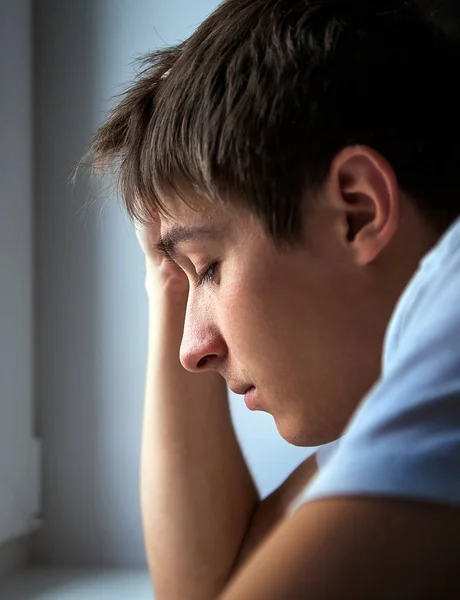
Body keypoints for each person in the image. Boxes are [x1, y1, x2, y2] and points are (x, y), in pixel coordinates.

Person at [88, 0, 460, 597]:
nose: (192, 351)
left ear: (356, 210)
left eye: (208, 269)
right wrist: (169, 269)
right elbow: (204, 587)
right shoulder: (397, 379)